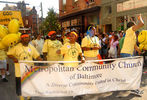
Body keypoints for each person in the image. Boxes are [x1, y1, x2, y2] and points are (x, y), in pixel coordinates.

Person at [7, 33, 42, 100]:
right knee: (20, 86)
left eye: (28, 37)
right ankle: (21, 98)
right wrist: (14, 58)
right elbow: (9, 54)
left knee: (29, 85)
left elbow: (37, 55)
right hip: (19, 71)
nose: (27, 39)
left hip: (29, 71)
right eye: (25, 37)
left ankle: (29, 97)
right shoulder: (16, 47)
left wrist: (40, 59)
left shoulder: (31, 47)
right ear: (22, 39)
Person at [117, 14, 144, 97]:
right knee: (132, 72)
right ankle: (134, 89)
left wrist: (140, 51)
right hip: (126, 54)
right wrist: (140, 19)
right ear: (132, 26)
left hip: (128, 54)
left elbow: (134, 45)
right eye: (135, 24)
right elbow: (141, 24)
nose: (136, 26)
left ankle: (132, 88)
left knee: (130, 71)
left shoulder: (132, 35)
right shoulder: (129, 30)